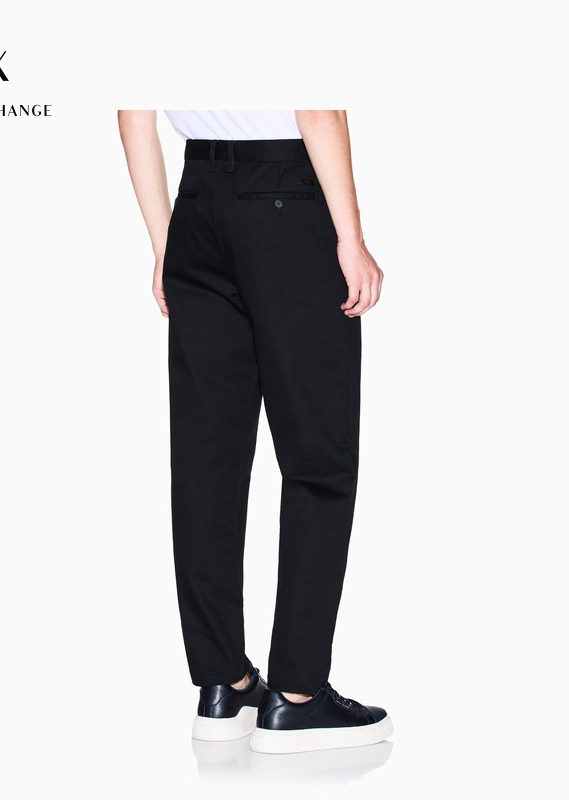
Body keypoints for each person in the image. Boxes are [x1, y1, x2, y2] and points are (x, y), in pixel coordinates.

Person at [117, 110, 392, 754]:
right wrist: (350, 237)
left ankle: (223, 684)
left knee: (206, 459)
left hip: (196, 208)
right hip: (286, 199)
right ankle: (296, 695)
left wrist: (165, 243)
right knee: (317, 457)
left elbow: (133, 111)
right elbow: (316, 107)